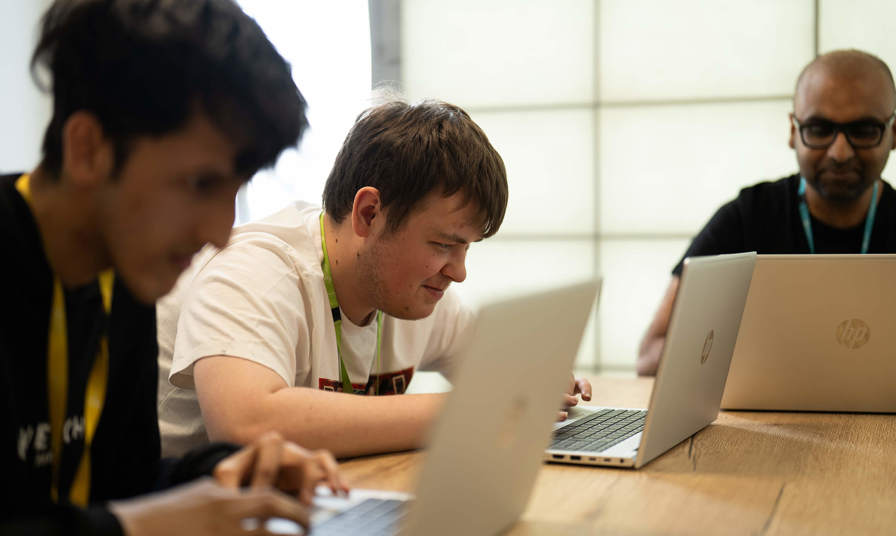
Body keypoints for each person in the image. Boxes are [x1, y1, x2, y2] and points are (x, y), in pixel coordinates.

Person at [0, 1, 347, 534]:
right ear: (88, 149)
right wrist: (137, 526)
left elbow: (124, 485)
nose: (218, 233)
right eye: (201, 184)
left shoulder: (122, 278)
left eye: (235, 191)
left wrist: (224, 471)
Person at [157, 99, 593, 459]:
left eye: (466, 248)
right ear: (369, 214)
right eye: (444, 244)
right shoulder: (256, 270)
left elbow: (496, 376)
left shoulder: (407, 292)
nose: (459, 272)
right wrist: (470, 410)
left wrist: (538, 382)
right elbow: (246, 425)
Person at [638, 49, 896, 376]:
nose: (840, 152)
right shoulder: (746, 217)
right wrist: (757, 356)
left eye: (863, 130)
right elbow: (650, 355)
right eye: (818, 129)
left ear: (893, 133)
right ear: (793, 130)